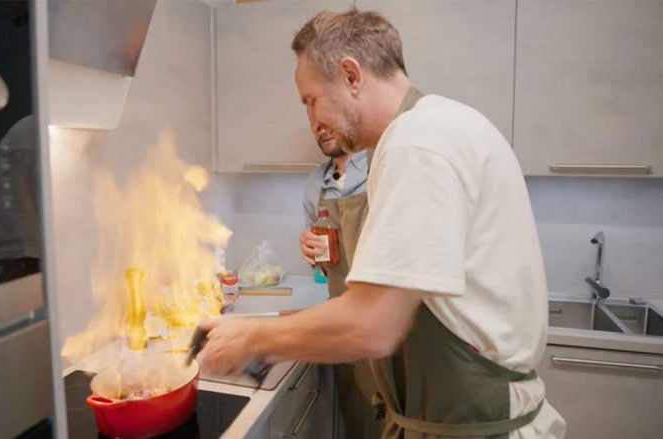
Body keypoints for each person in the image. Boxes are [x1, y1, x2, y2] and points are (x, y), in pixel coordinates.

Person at [199, 8, 565, 438]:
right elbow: (399, 305)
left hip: (474, 427)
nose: (312, 121)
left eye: (311, 100)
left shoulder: (416, 144)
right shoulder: (434, 127)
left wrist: (251, 339)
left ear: (351, 75)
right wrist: (255, 326)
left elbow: (373, 324)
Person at [301, 134, 381, 438]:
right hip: (347, 327)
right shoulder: (315, 183)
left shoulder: (382, 167)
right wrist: (310, 249)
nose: (318, 127)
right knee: (361, 425)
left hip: (391, 324)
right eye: (311, 119)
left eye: (322, 115)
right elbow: (324, 263)